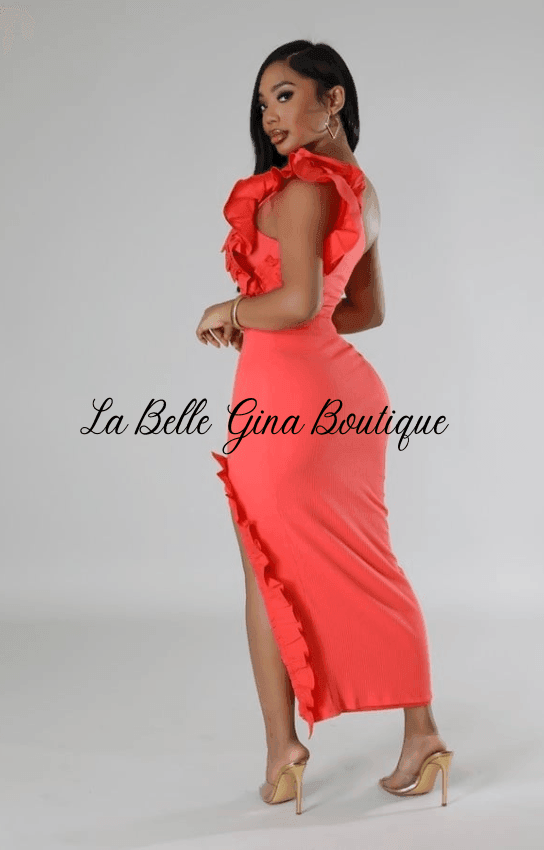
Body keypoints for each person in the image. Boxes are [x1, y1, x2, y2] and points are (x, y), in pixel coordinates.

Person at [196, 40, 453, 813]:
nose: (270, 116)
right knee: (369, 561)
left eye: (285, 95)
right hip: (342, 398)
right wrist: (271, 321)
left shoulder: (304, 186)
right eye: (263, 103)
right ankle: (423, 735)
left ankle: (283, 751)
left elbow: (300, 302)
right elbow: (361, 311)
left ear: (332, 98)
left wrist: (235, 309)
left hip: (288, 404)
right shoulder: (359, 191)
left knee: (262, 568)